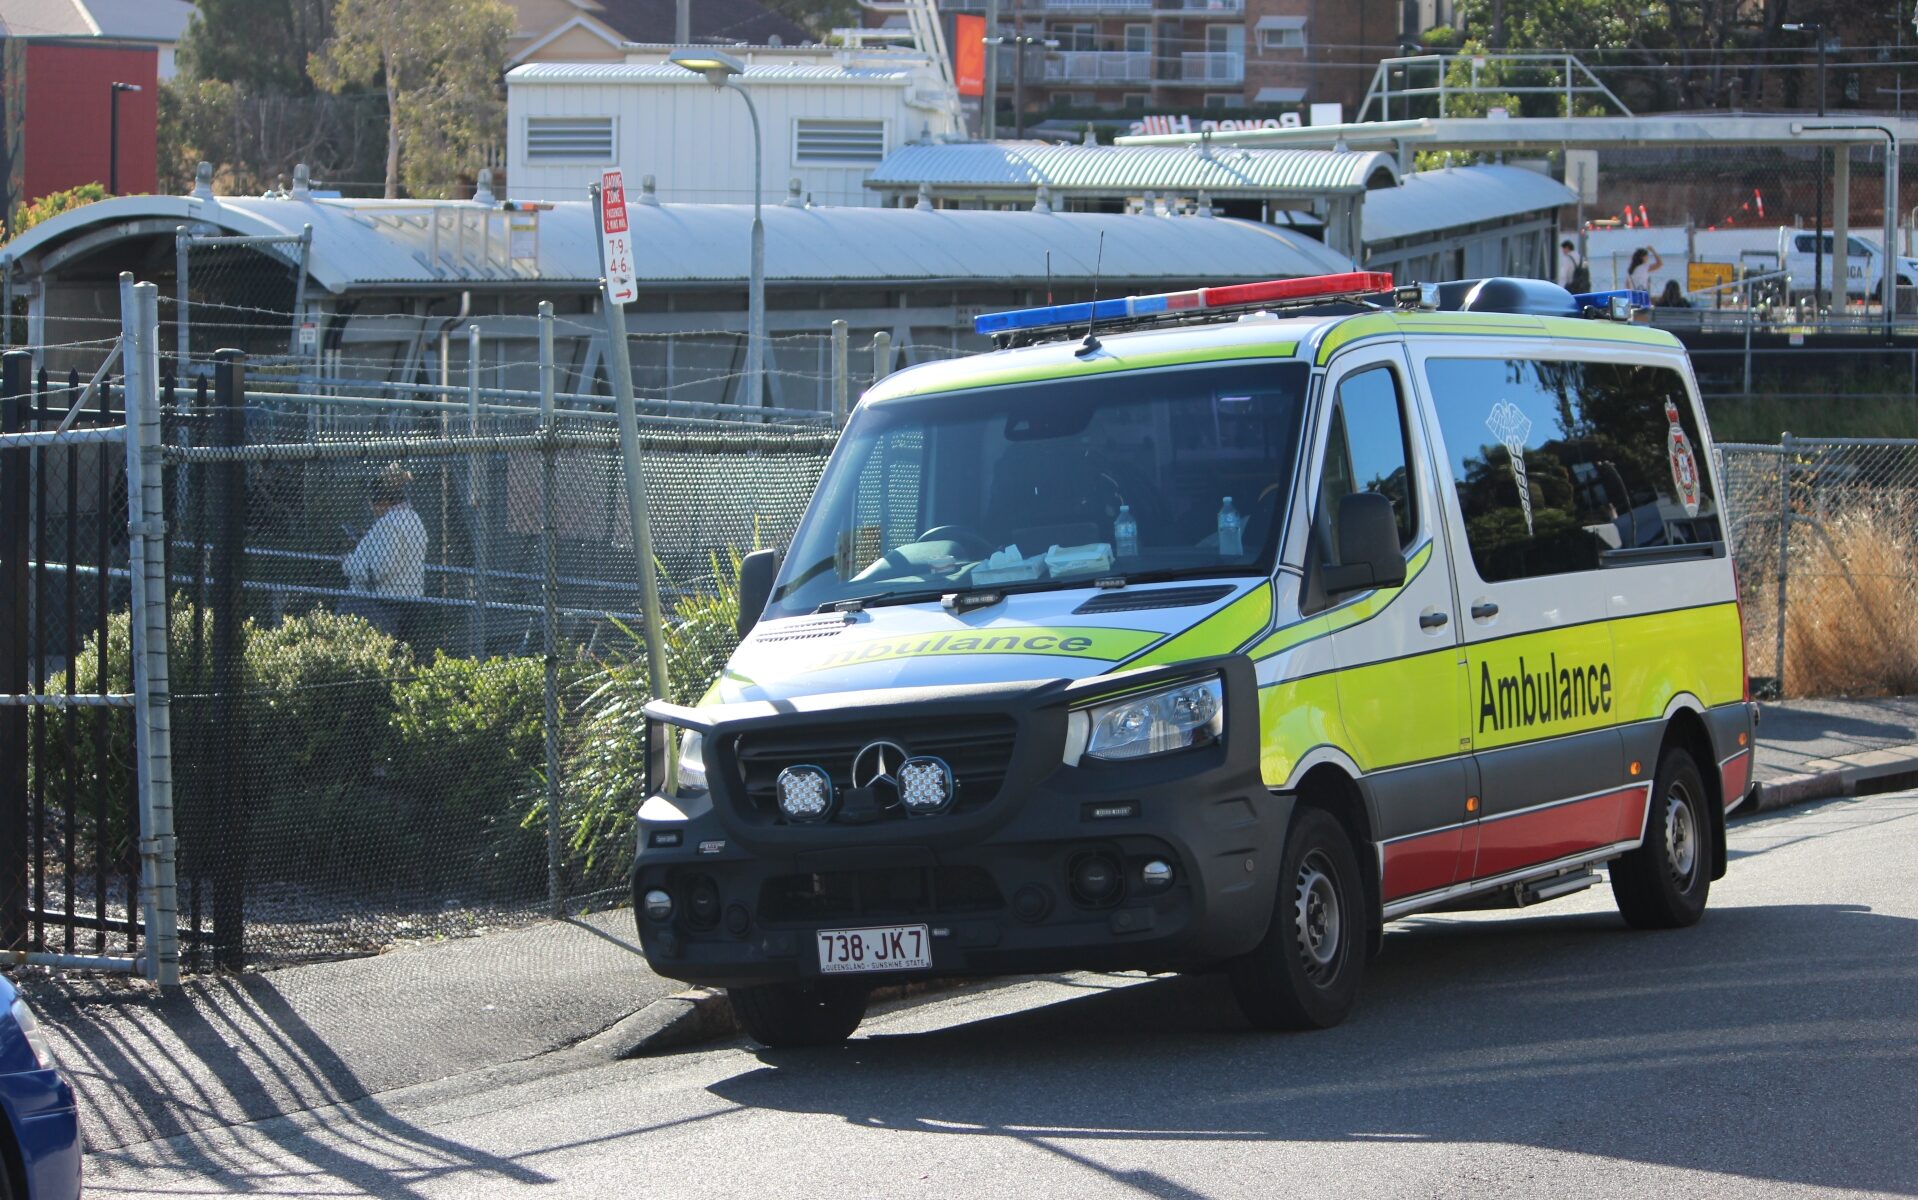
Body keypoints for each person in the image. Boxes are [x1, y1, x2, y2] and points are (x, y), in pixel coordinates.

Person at [342, 465, 428, 637]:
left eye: (373, 503)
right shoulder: (413, 519)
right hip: (410, 598)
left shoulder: (388, 524)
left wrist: (349, 564)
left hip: (383, 604)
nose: (373, 509)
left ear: (382, 501)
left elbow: (379, 570)